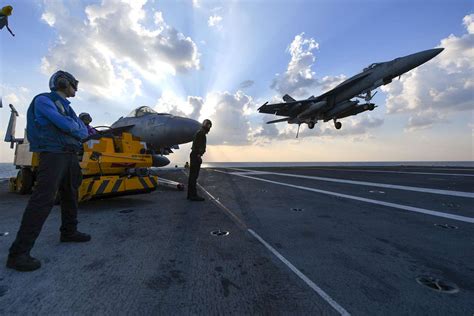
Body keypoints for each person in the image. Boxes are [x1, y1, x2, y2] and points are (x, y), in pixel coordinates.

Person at [7, 71, 90, 272]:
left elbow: (82, 130)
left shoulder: (68, 108)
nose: (75, 88)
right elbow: (65, 125)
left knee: (70, 193)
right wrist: (76, 129)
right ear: (62, 83)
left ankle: (69, 231)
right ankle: (19, 253)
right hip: (53, 153)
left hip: (69, 154)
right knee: (43, 198)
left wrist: (76, 129)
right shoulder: (44, 100)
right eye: (73, 83)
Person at [187, 119, 212, 201]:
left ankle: (190, 195)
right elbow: (200, 147)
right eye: (208, 125)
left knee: (192, 176)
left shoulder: (198, 132)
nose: (209, 127)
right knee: (194, 176)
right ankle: (193, 195)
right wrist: (199, 155)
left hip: (193, 154)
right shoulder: (202, 134)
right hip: (196, 155)